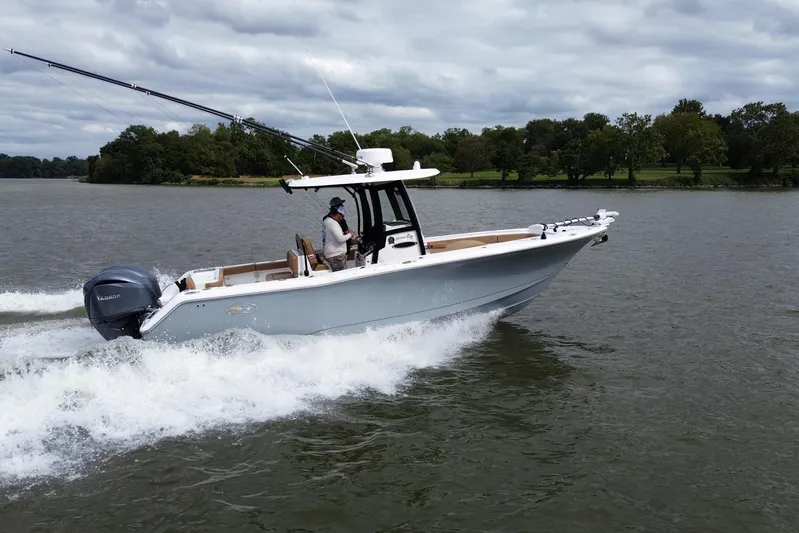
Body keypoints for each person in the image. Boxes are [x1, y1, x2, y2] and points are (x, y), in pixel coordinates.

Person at [322, 204, 355, 271]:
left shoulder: (326, 221)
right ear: (337, 215)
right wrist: (350, 234)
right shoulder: (333, 223)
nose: (342, 218)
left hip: (331, 254)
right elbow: (340, 239)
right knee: (342, 276)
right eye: (342, 216)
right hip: (336, 257)